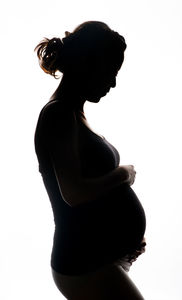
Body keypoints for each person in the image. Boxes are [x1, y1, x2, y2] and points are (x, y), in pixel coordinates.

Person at [34, 21, 146, 300]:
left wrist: (122, 242)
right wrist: (123, 174)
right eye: (110, 71)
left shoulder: (73, 114)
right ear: (87, 64)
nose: (113, 82)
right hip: (82, 262)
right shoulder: (58, 114)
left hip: (96, 258)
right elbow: (74, 193)